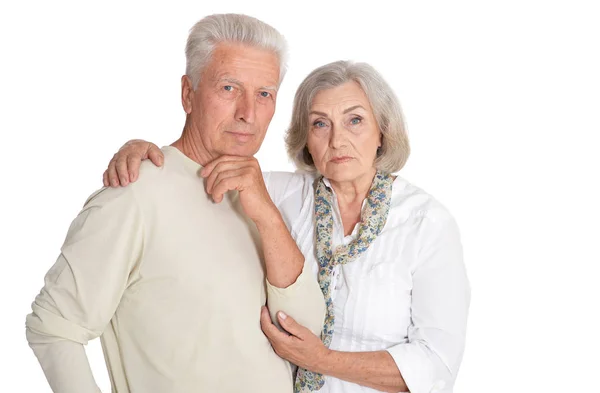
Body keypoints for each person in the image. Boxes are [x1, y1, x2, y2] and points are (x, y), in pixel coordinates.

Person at [104, 60, 471, 393]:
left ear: (383, 131)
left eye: (355, 120)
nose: (337, 139)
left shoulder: (427, 224)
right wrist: (145, 154)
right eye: (319, 123)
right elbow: (195, 174)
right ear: (306, 140)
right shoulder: (276, 194)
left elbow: (435, 366)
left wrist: (322, 360)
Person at [25, 14, 326, 393]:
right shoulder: (134, 194)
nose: (248, 113)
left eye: (264, 94)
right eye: (229, 88)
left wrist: (266, 214)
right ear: (188, 94)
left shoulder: (264, 199)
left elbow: (306, 330)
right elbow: (53, 327)